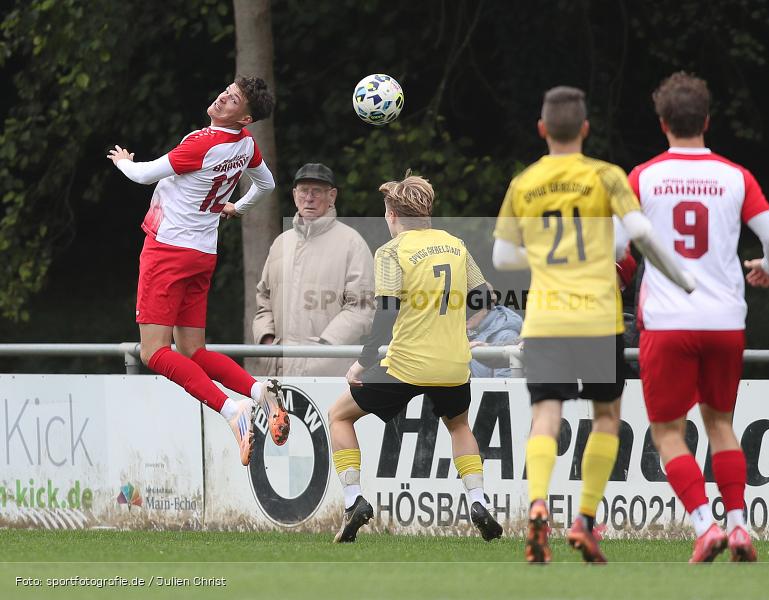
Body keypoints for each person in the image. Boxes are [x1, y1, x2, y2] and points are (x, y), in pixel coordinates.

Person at [492, 86, 695, 564]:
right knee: (605, 416)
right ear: (585, 129)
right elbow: (641, 235)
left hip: (545, 318)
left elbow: (502, 256)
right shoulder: (606, 176)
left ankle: (538, 505)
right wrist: (685, 282)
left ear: (542, 130)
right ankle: (584, 520)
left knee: (546, 412)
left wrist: (539, 256)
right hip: (597, 317)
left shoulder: (524, 182)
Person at [628, 72, 769, 562]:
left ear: (662, 123)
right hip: (724, 320)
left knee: (668, 431)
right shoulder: (734, 176)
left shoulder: (643, 176)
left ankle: (705, 524)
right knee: (721, 423)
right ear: (707, 120)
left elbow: (619, 250)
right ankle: (739, 526)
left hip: (669, 322)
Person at [107, 76, 289, 467]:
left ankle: (232, 410)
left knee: (154, 352)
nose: (223, 95)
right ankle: (259, 393)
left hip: (168, 251)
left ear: (245, 117)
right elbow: (267, 184)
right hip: (202, 253)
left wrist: (123, 162)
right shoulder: (245, 145)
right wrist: (237, 209)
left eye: (234, 98)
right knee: (194, 351)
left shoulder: (202, 143)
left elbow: (143, 175)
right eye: (227, 89)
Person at [328, 172, 503, 544]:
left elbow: (387, 311)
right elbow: (485, 295)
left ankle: (353, 500)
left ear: (392, 215)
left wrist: (362, 361)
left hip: (406, 363)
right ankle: (478, 501)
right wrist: (462, 330)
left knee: (339, 416)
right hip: (454, 363)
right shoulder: (454, 245)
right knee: (459, 427)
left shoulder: (392, 252)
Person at [253, 163, 375, 376]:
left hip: (330, 373)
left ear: (332, 196)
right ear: (294, 194)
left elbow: (362, 307)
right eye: (303, 190)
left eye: (316, 191)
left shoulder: (352, 243)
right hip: (278, 373)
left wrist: (325, 346)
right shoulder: (281, 243)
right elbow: (264, 299)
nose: (308, 198)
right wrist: (266, 340)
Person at [467, 304, 523, 378]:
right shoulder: (470, 333)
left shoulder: (506, 335)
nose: (465, 317)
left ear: (485, 310)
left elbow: (504, 385)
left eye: (469, 312)